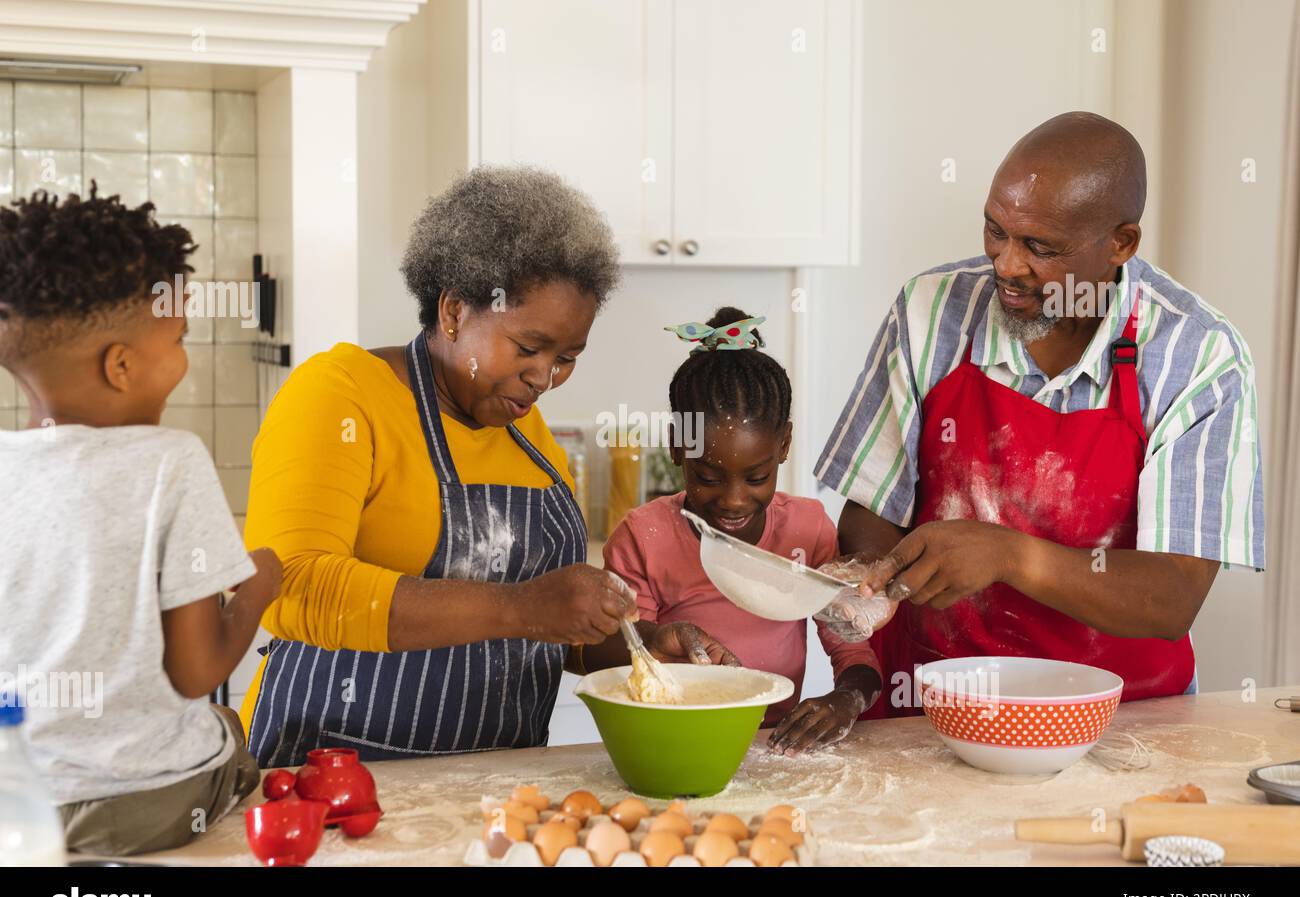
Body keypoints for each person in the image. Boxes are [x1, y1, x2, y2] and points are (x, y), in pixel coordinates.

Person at [241, 167, 732, 766]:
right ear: (453, 310)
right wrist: (520, 607)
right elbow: (291, 588)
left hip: (493, 779)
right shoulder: (341, 394)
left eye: (566, 358)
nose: (545, 378)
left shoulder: (525, 430)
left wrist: (640, 646)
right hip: (330, 772)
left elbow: (550, 628)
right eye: (528, 348)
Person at [816, 112, 1265, 717]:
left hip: (1123, 720)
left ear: (1121, 243)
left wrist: (1009, 554)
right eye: (995, 232)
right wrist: (870, 581)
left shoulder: (1196, 354)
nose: (1005, 265)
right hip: (934, 704)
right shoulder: (931, 312)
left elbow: (1171, 595)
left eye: (1040, 248)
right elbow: (875, 512)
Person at [0, 186, 281, 854]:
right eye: (179, 339)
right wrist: (258, 588)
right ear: (120, 366)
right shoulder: (171, 462)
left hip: (24, 806)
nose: (184, 357)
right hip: (146, 806)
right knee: (226, 728)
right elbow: (194, 668)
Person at [602, 308, 884, 754]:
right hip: (676, 742)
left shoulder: (807, 531)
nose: (733, 500)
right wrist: (653, 645)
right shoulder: (643, 537)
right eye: (709, 477)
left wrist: (844, 701)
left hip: (775, 745)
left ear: (784, 447)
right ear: (678, 446)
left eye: (756, 478)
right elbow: (619, 657)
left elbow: (855, 654)